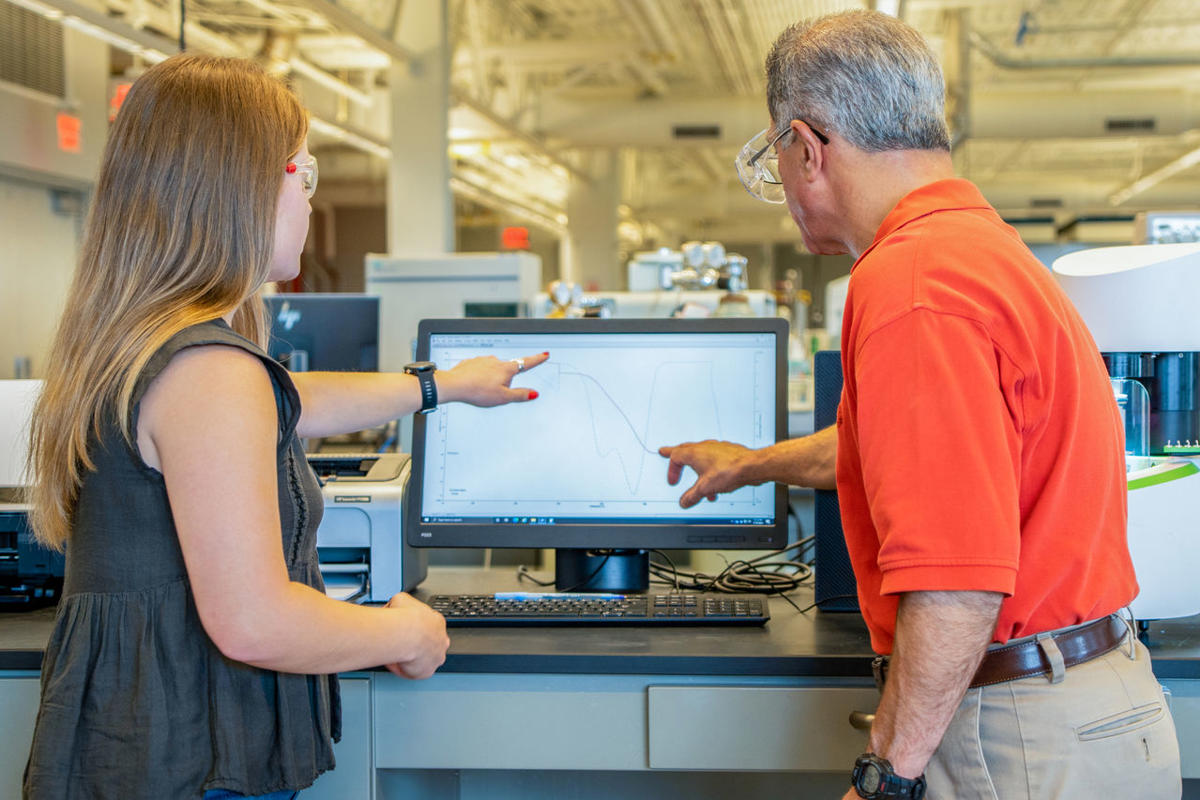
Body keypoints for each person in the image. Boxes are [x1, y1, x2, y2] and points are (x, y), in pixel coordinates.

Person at [660, 10, 1181, 800]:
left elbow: (956, 577)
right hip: (1085, 701)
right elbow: (925, 452)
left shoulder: (912, 283)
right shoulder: (980, 248)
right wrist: (753, 465)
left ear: (806, 148)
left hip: (1013, 734)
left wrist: (887, 778)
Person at [23, 54, 546, 800]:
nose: (307, 199)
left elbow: (286, 399)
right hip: (191, 760)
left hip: (135, 746)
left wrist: (441, 386)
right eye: (304, 173)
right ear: (240, 187)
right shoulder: (206, 371)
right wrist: (408, 629)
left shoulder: (141, 344)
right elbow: (253, 621)